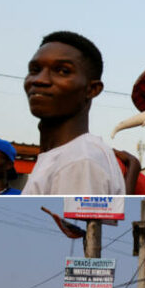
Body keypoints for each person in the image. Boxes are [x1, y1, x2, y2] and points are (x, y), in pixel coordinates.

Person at [21, 31, 126, 195]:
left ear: (92, 89)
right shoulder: (65, 156)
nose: (39, 80)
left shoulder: (79, 160)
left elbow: (77, 221)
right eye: (35, 70)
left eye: (62, 71)